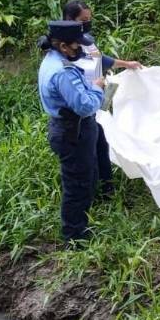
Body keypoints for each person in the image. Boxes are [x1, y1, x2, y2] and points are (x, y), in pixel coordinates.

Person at [62, 0, 142, 196]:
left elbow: (100, 59)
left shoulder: (86, 39)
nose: (87, 23)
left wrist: (126, 64)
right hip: (82, 104)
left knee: (101, 142)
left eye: (89, 19)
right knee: (88, 150)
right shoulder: (65, 47)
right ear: (69, 19)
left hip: (97, 99)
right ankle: (92, 193)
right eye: (83, 19)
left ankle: (107, 188)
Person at [37, 21, 105, 246]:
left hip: (67, 128)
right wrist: (97, 87)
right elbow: (84, 106)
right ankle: (74, 239)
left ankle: (81, 227)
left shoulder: (53, 61)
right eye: (77, 46)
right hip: (73, 132)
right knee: (77, 186)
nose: (81, 50)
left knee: (83, 179)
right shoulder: (63, 72)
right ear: (64, 46)